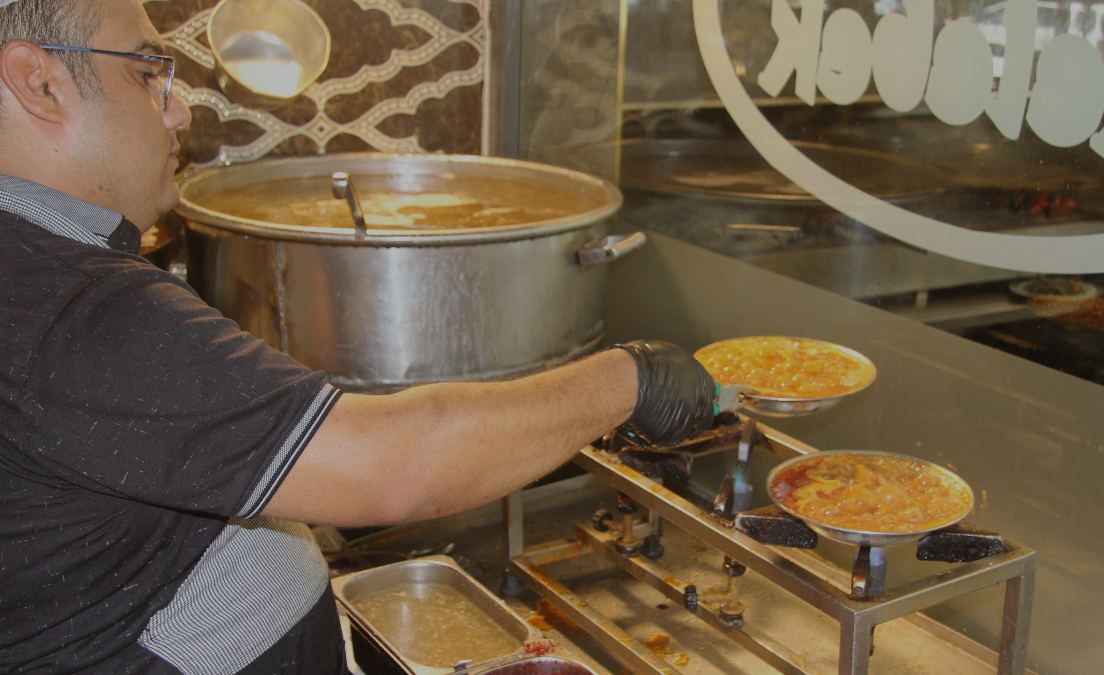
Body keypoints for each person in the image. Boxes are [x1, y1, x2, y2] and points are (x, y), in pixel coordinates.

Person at [0, 1, 717, 673]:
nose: (178, 108)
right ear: (39, 81)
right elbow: (398, 465)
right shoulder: (68, 307)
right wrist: (632, 377)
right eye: (146, 72)